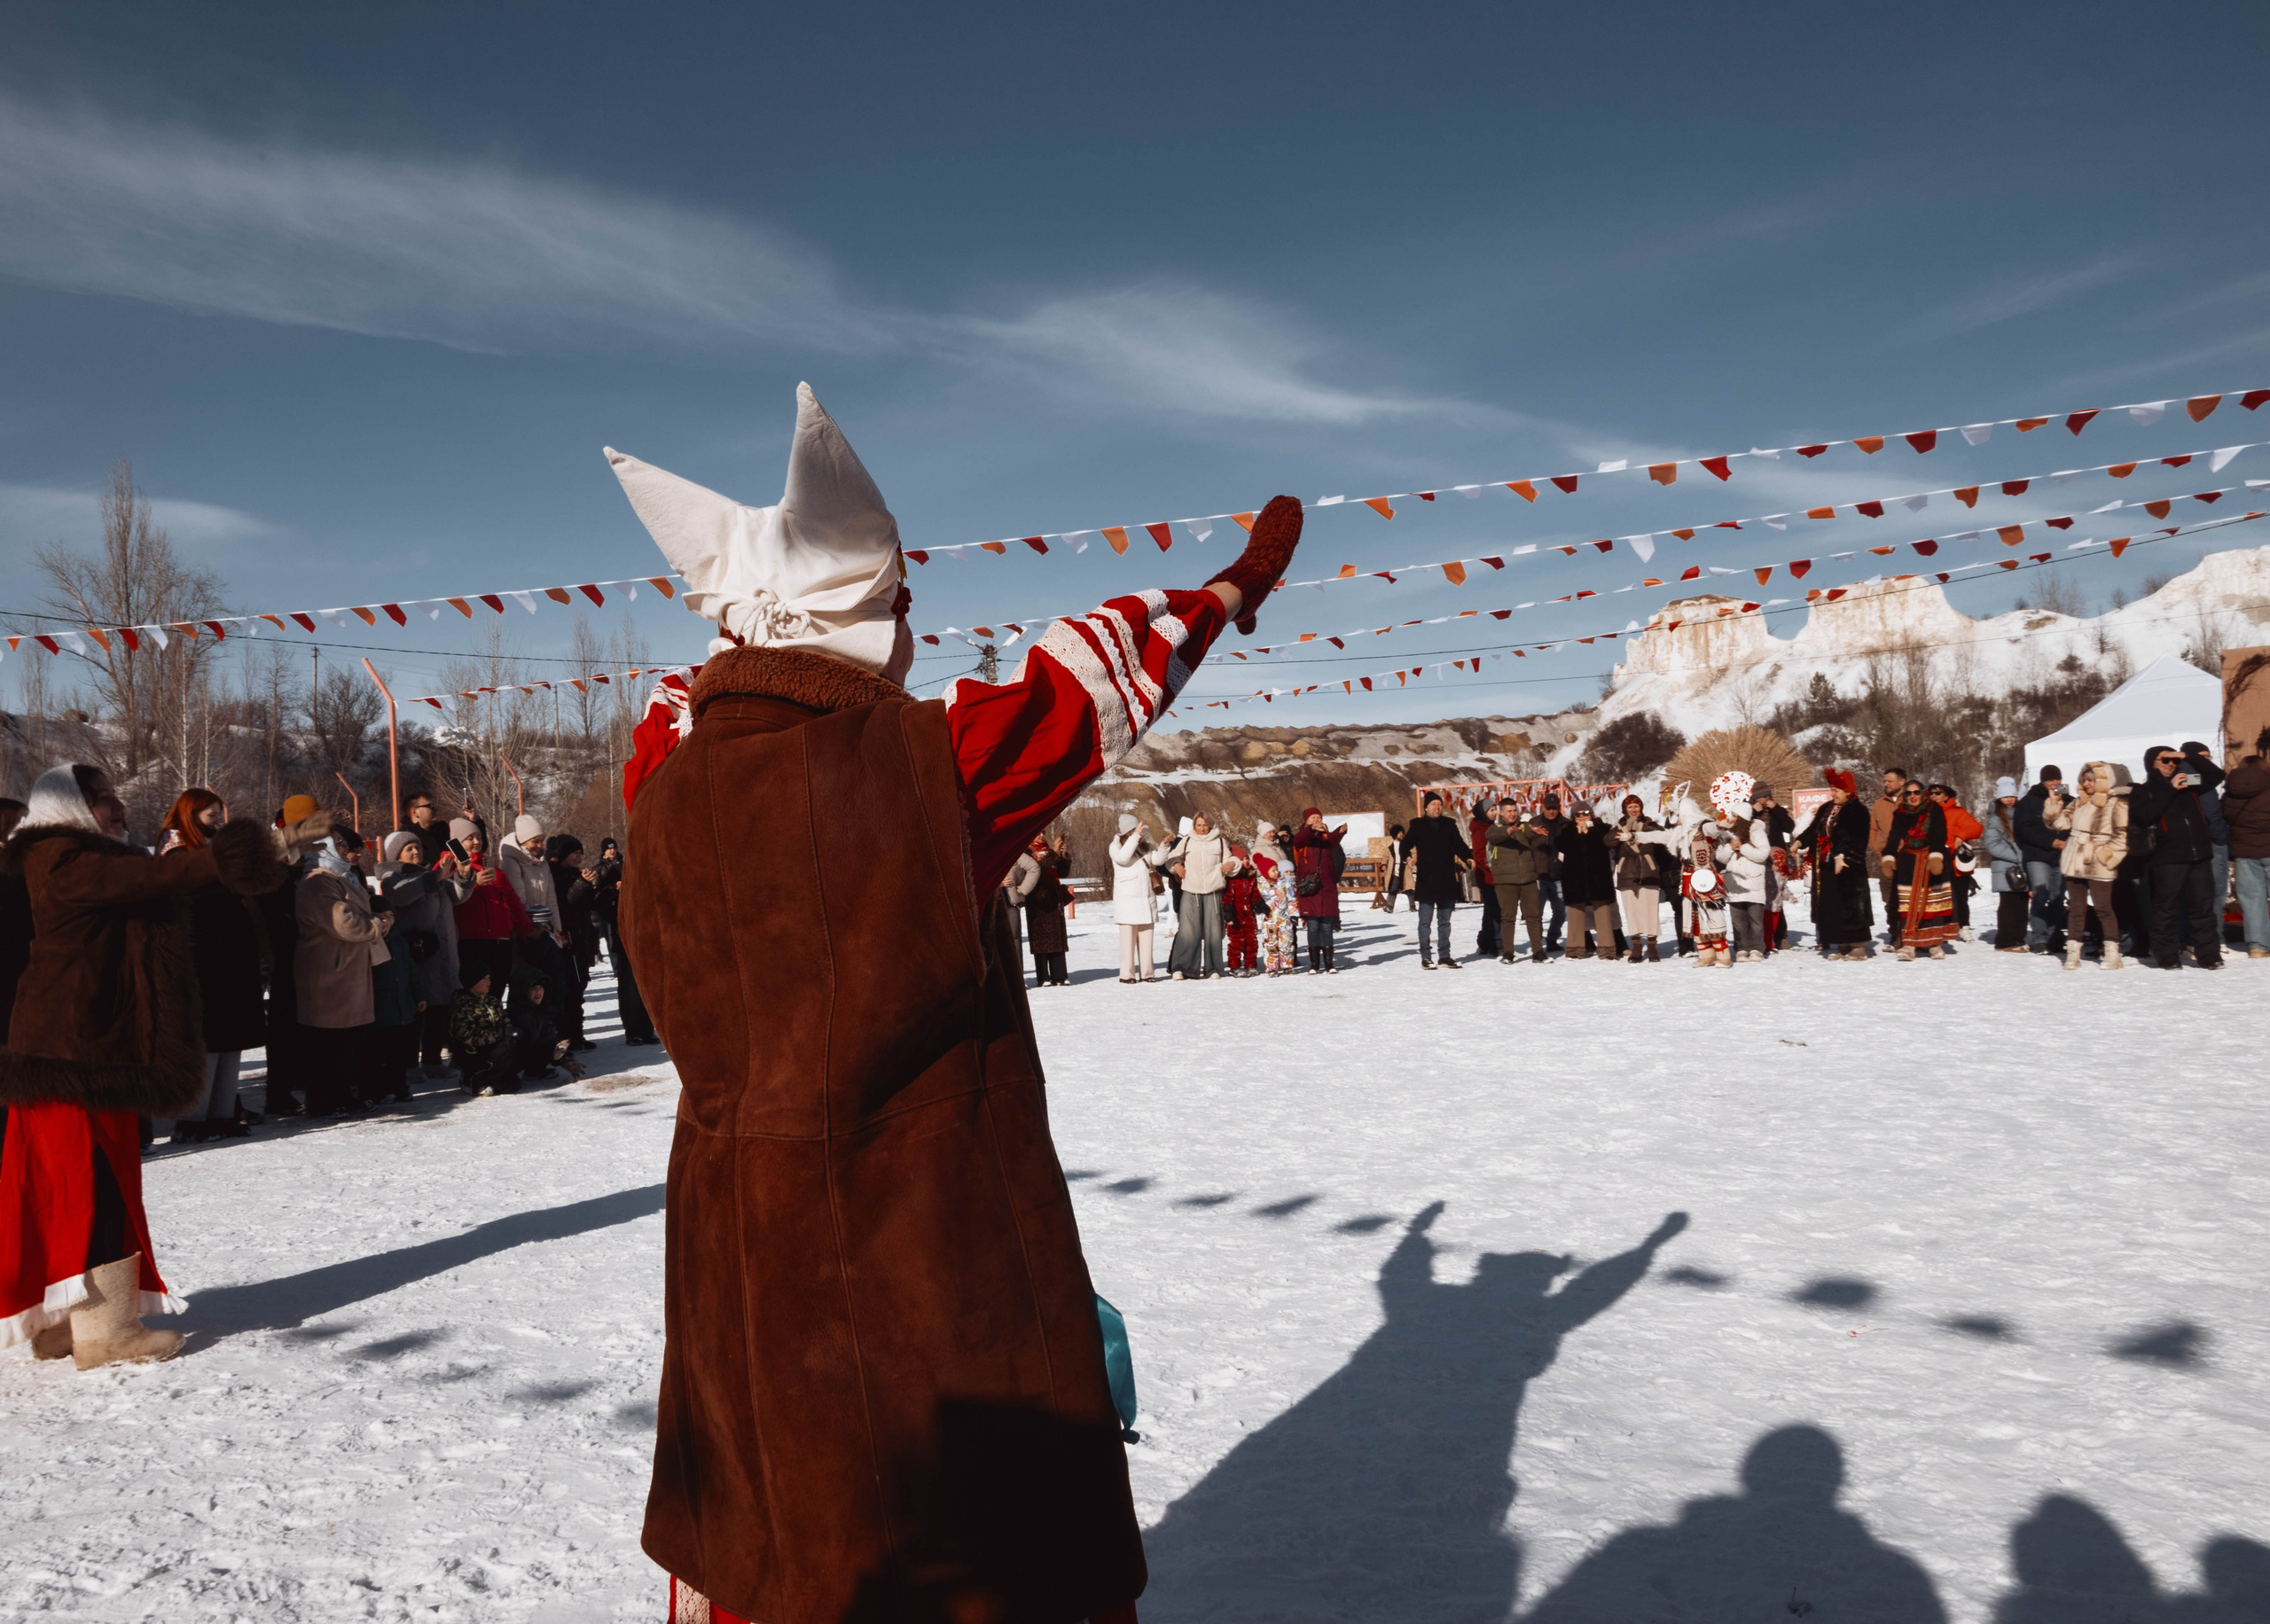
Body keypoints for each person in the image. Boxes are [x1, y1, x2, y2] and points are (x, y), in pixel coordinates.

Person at [607, 379, 1303, 1622]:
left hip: (731, 1248)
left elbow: (681, 710)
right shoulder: (919, 770)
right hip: (909, 1245)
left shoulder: (660, 786)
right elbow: (1083, 689)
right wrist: (1227, 591)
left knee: (772, 1533)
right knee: (952, 1553)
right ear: (875, 618)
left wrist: (737, 625)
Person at [1, 762, 285, 1368]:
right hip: (75, 1051)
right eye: (101, 798)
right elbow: (158, 875)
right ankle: (104, 1333)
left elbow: (157, 882)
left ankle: (63, 1323)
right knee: (92, 1187)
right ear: (69, 807)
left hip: (80, 1047)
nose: (116, 805)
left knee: (68, 1187)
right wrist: (231, 853)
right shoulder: (62, 857)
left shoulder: (72, 857)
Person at [154, 790, 268, 1143]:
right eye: (210, 816)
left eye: (218, 815)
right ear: (190, 816)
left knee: (231, 1040)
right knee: (208, 1041)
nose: (217, 822)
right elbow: (187, 904)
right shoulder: (178, 853)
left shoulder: (215, 849)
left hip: (231, 956)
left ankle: (222, 1114)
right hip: (202, 957)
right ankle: (193, 1119)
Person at [295, 821, 393, 1115]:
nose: (344, 848)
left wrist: (379, 920)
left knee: (344, 1040)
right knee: (327, 1042)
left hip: (345, 971)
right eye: (337, 843)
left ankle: (342, 1094)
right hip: (328, 972)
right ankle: (323, 1100)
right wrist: (377, 925)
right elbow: (343, 922)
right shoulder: (316, 881)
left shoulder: (337, 877)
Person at [2128, 741, 2227, 970]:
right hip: (2167, 858)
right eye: (2165, 760)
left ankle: (2209, 955)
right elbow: (2145, 816)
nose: (2171, 764)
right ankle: (2167, 956)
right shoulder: (2143, 790)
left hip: (2199, 854)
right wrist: (2171, 788)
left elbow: (2216, 776)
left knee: (2203, 908)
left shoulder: (2188, 783)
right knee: (2166, 909)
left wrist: (2189, 756)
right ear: (2152, 764)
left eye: (2174, 760)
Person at [2046, 761, 2131, 971]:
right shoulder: (2078, 803)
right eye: (2084, 779)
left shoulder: (2116, 803)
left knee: (2103, 907)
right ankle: (2073, 954)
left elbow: (2122, 836)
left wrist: (2105, 854)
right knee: (2076, 908)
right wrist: (2054, 804)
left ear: (2102, 781)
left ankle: (2112, 953)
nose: (2087, 783)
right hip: (2074, 859)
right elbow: (2058, 824)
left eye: (2091, 779)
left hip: (2098, 861)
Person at [451, 819, 543, 992]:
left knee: (497, 992)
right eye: (470, 838)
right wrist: (471, 882)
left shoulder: (491, 866)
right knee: (477, 996)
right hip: (472, 941)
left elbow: (513, 901)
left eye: (478, 837)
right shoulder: (449, 866)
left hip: (502, 939)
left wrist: (527, 929)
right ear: (457, 842)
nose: (477, 842)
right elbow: (449, 896)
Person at [1796, 770, 1874, 961]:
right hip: (1827, 864)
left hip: (1849, 865)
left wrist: (1843, 855)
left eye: (1837, 790)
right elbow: (1814, 829)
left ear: (1848, 792)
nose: (1833, 794)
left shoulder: (1857, 810)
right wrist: (1800, 841)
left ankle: (1857, 945)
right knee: (1834, 904)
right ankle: (1843, 943)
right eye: (1832, 790)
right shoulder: (1826, 808)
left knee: (1852, 903)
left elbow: (1855, 837)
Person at [589, 837, 659, 1046]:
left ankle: (647, 1028)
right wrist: (613, 890)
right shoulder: (600, 870)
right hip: (619, 930)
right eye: (608, 849)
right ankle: (633, 1030)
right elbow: (598, 903)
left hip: (641, 930)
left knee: (644, 984)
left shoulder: (631, 866)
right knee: (628, 985)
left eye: (614, 848)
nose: (612, 852)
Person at [1880, 777, 1955, 962]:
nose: (1912, 796)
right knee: (1908, 903)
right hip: (1909, 861)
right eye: (1908, 793)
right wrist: (1888, 856)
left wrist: (1937, 855)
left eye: (1916, 792)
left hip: (1930, 859)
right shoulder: (1901, 813)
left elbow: (1940, 833)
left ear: (1923, 794)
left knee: (1932, 902)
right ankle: (1909, 944)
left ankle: (1934, 944)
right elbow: (1894, 836)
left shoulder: (1934, 809)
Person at [1401, 792, 1468, 969]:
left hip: (1446, 879)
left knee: (1444, 922)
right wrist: (1408, 859)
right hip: (1426, 880)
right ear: (1426, 807)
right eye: (1433, 804)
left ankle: (1444, 956)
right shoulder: (1418, 825)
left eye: (1439, 804)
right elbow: (1404, 845)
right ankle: (1426, 956)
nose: (1437, 807)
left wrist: (1469, 857)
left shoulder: (1449, 825)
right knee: (1425, 922)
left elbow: (1459, 845)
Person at [1164, 812, 1235, 980]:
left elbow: (1230, 859)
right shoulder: (1187, 840)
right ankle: (1181, 968)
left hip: (1213, 890)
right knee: (1187, 931)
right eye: (1198, 825)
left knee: (1214, 932)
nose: (1202, 828)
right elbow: (1172, 856)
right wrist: (1176, 865)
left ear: (1210, 825)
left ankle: (1213, 969)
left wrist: (1232, 863)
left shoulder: (1219, 841)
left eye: (1204, 825)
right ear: (1194, 826)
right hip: (1191, 890)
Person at [546, 835, 600, 1050]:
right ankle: (567, 1036)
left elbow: (589, 906)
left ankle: (576, 1035)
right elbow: (566, 902)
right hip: (565, 937)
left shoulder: (578, 875)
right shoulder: (555, 876)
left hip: (581, 938)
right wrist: (582, 883)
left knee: (578, 988)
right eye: (574, 853)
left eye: (580, 853)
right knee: (567, 989)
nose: (578, 857)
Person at [1610, 795, 1678, 962]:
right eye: (1630, 807)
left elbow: (1662, 836)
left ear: (1641, 808)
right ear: (1625, 810)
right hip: (1627, 874)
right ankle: (1637, 947)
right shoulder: (1619, 826)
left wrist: (1640, 829)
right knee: (1632, 913)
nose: (1633, 810)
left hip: (1649, 872)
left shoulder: (1650, 825)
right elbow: (1608, 841)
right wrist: (1626, 827)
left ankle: (1653, 947)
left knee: (1650, 912)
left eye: (1636, 806)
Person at [2014, 765, 2068, 953]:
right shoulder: (2029, 801)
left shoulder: (2068, 799)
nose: (2054, 784)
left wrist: (2065, 841)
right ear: (2043, 781)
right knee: (2040, 894)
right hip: (2037, 855)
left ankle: (2055, 935)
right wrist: (2051, 841)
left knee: (2058, 897)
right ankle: (2039, 937)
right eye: (2050, 780)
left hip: (2062, 856)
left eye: (2057, 780)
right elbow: (2024, 830)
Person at [1554, 805, 1619, 961]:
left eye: (1586, 813)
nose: (1582, 816)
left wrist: (1589, 830)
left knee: (1603, 914)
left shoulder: (1601, 828)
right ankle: (1575, 949)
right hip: (1575, 879)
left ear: (1592, 814)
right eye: (1578, 814)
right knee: (1576, 915)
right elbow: (1560, 844)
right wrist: (1576, 832)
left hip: (1598, 878)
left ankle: (1607, 950)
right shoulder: (1567, 830)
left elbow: (1606, 841)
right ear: (1573, 816)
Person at [2225, 740, 2270, 959]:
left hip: (2244, 851)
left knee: (2252, 899)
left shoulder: (2231, 790)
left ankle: (2258, 946)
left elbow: (2224, 817)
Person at [1010, 832, 1073, 988]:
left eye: (1044, 833)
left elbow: (1061, 873)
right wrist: (1054, 851)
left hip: (1053, 898)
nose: (1042, 836)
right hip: (1037, 899)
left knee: (1057, 938)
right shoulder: (1027, 851)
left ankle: (1060, 975)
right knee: (1040, 940)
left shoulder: (1049, 850)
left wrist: (1064, 857)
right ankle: (1043, 976)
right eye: (1038, 833)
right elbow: (1038, 869)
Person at [1108, 814, 1164, 984]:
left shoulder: (1144, 846)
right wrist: (1135, 837)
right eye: (1135, 830)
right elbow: (1122, 859)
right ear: (1128, 831)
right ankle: (1127, 975)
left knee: (1147, 940)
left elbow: (1157, 860)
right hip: (1128, 901)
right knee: (1128, 942)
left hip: (1146, 899)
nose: (1140, 834)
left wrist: (1164, 847)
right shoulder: (1115, 846)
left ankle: (1147, 974)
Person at [1292, 808, 1349, 973]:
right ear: (1306, 820)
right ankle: (1314, 964)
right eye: (1313, 817)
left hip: (1327, 887)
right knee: (1313, 926)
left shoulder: (1325, 837)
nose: (1316, 820)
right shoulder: (1302, 836)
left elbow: (1333, 841)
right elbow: (1298, 840)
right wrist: (1311, 830)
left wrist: (1340, 831)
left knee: (1326, 926)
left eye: (1319, 817)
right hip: (1310, 888)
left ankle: (1330, 964)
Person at [1981, 776, 2031, 953]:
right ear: (1999, 798)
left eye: (2012, 796)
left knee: (2021, 903)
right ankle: (2006, 940)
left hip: (2018, 868)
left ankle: (2017, 938)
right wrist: (2017, 856)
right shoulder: (1997, 818)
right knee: (2010, 905)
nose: (2009, 800)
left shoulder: (2019, 815)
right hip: (2006, 869)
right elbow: (1991, 844)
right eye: (2005, 797)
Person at [1930, 784, 1985, 940]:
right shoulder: (1927, 813)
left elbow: (1977, 828)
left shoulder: (1957, 812)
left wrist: (1961, 835)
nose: (1933, 795)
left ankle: (1964, 926)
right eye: (1930, 793)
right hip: (1935, 859)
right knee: (1938, 895)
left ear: (1946, 795)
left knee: (1960, 896)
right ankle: (1942, 926)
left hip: (1954, 861)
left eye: (1937, 793)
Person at [1250, 821, 1299, 976]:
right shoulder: (1258, 849)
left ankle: (1287, 964)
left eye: (1273, 831)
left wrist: (1294, 913)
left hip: (1284, 916)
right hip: (1270, 916)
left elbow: (1291, 897)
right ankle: (1272, 966)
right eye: (1268, 832)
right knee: (1271, 942)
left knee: (1286, 941)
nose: (1272, 834)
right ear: (1262, 834)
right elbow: (1256, 869)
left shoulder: (1278, 846)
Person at [1868, 767, 1910, 948]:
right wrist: (1877, 848)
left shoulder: (1912, 800)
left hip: (1909, 858)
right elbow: (1873, 830)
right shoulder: (1879, 805)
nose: (1886, 784)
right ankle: (1895, 933)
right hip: (1885, 859)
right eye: (1885, 781)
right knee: (1890, 899)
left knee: (1909, 898)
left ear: (1902, 782)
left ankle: (1911, 933)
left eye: (1890, 781)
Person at [1682, 834, 1734, 968]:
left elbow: (1716, 828)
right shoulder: (1681, 834)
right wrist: (1635, 836)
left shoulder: (1705, 829)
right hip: (1690, 883)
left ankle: (1723, 957)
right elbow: (1661, 836)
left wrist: (1723, 823)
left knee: (1713, 919)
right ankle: (1706, 956)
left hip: (1707, 881)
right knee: (1696, 923)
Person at [1531, 794, 1569, 954]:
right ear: (1543, 807)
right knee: (1536, 912)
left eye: (1554, 808)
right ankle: (1537, 941)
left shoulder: (1567, 825)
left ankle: (1552, 938)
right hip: (1539, 873)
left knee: (1561, 911)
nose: (1552, 811)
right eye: (1549, 808)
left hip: (1559, 873)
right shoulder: (1533, 824)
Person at [1221, 842, 1263, 976]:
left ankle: (1251, 965)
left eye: (1246, 859)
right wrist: (1228, 911)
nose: (1245, 861)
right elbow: (1227, 897)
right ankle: (1235, 966)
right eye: (1242, 859)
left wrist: (1260, 903)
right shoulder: (1232, 879)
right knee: (1236, 942)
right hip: (1236, 915)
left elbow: (1255, 893)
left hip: (1249, 914)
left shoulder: (1251, 877)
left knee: (1251, 941)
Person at [1468, 800, 1500, 959]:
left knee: (1490, 911)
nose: (1495, 813)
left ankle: (1485, 942)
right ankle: (1496, 943)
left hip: (1496, 876)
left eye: (1495, 809)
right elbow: (1480, 855)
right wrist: (1493, 867)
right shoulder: (1479, 830)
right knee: (1495, 910)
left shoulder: (1492, 827)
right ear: (1483, 812)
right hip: (1487, 877)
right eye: (1492, 810)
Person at [1382, 823, 1408, 913]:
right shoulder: (1390, 847)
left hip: (1406, 870)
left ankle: (1412, 906)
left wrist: (1412, 861)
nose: (1401, 834)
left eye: (1402, 833)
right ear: (1395, 835)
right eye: (1399, 833)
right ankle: (1390, 906)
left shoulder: (1407, 845)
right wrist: (1384, 865)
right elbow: (1385, 857)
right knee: (1393, 889)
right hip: (1395, 870)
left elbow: (1414, 853)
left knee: (1409, 889)